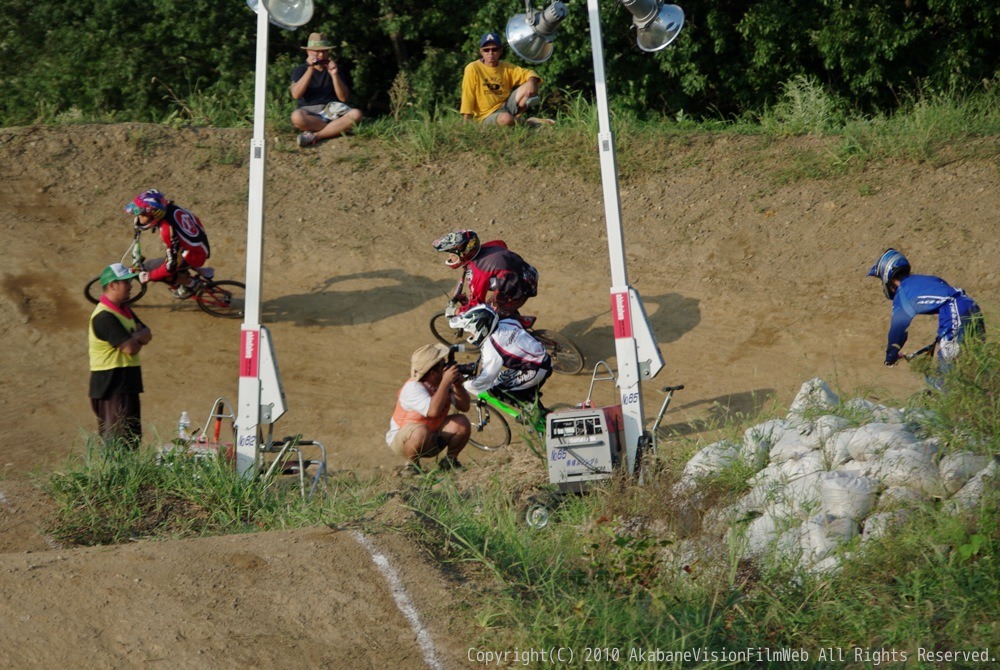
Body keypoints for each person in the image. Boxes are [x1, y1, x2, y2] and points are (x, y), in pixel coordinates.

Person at [867, 248, 985, 383]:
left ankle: (949, 398)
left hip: (954, 311)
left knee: (947, 376)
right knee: (975, 363)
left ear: (890, 278)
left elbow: (898, 330)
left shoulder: (903, 293)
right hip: (972, 306)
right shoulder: (926, 280)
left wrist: (890, 356)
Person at [89, 263, 153, 450]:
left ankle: (127, 478)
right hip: (112, 384)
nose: (131, 285)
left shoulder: (125, 311)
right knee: (117, 440)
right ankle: (115, 478)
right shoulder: (104, 317)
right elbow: (131, 348)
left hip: (126, 382)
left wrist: (136, 337)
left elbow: (148, 334)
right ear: (112, 285)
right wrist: (137, 337)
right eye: (126, 282)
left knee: (131, 437)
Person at [386, 343, 472, 476]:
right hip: (405, 441)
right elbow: (433, 411)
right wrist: (445, 382)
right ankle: (412, 466)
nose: (446, 368)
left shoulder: (441, 382)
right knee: (420, 431)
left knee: (461, 422)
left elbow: (465, 407)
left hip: (432, 435)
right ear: (432, 373)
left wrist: (458, 386)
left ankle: (449, 462)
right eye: (443, 366)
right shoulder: (412, 388)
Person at [453, 304, 551, 410]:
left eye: (471, 331)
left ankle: (531, 413)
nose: (470, 335)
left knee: (498, 389)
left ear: (481, 329)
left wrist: (471, 385)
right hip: (542, 359)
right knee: (501, 379)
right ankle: (532, 403)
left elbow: (487, 377)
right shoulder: (506, 322)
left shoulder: (491, 347)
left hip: (536, 369)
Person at [124, 189, 211, 299]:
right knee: (168, 264)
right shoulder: (170, 207)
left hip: (195, 255)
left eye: (143, 215)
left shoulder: (167, 231)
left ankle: (191, 284)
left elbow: (170, 266)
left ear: (155, 215)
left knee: (155, 269)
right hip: (200, 242)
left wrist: (150, 276)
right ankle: (188, 273)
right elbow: (195, 219)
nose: (139, 218)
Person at [432, 229, 538, 317]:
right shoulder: (491, 245)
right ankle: (509, 312)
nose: (450, 257)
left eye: (452, 254)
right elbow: (502, 244)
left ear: (464, 254)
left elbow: (476, 304)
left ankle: (518, 334)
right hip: (528, 272)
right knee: (498, 299)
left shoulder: (478, 273)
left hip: (522, 288)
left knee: (490, 316)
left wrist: (456, 312)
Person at [460, 32, 550, 127]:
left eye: (494, 49)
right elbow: (468, 94)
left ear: (500, 51)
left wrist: (532, 81)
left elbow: (528, 73)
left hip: (506, 106)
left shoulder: (506, 67)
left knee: (531, 83)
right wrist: (466, 121)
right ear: (481, 51)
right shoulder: (473, 68)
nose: (490, 53)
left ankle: (517, 119)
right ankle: (528, 123)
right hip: (485, 115)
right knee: (506, 119)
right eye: (486, 50)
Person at [290, 32, 363, 148]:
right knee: (296, 117)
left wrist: (334, 75)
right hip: (310, 113)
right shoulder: (300, 70)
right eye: (317, 51)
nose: (321, 55)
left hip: (332, 110)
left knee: (356, 114)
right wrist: (310, 69)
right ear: (309, 52)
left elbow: (343, 97)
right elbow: (296, 94)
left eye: (324, 51)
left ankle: (316, 135)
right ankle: (336, 128)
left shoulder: (335, 69)